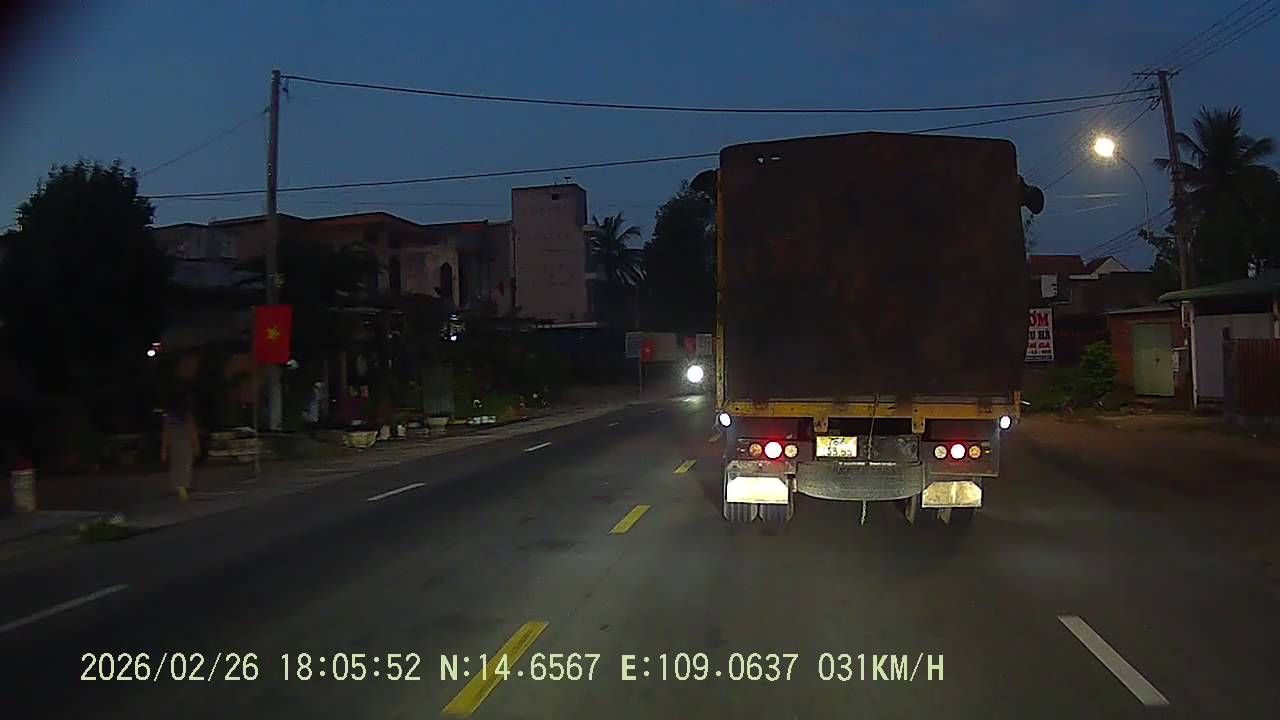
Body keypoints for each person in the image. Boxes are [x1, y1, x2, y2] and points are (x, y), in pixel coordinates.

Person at [160, 392, 200, 501]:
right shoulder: (187, 416)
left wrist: (164, 449)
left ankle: (178, 487)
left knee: (176, 466)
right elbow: (192, 431)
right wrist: (196, 445)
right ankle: (184, 486)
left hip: (174, 445)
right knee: (186, 467)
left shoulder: (169, 417)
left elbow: (166, 434)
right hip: (186, 445)